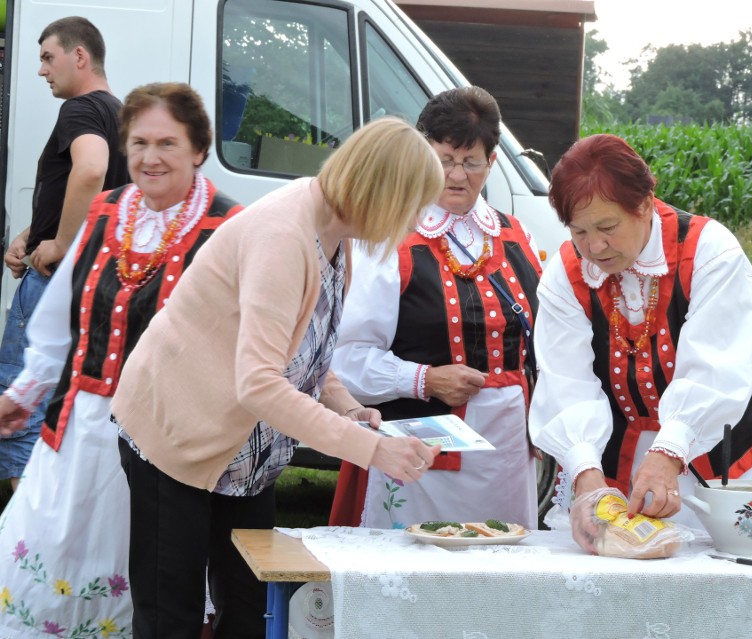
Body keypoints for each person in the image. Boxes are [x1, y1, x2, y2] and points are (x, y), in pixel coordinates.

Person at [109, 115, 444, 639]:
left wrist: (345, 403)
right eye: (413, 205)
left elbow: (303, 344)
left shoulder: (336, 233)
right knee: (170, 616)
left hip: (244, 451)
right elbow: (260, 383)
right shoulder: (284, 235)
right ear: (383, 193)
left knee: (249, 610)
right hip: (176, 433)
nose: (414, 221)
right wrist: (370, 449)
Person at [0, 82, 241, 638]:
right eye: (137, 143)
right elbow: (61, 316)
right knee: (48, 559)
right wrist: (25, 393)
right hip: (77, 429)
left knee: (143, 570)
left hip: (156, 438)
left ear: (199, 149)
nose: (149, 158)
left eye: (167, 144)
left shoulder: (227, 228)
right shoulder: (107, 210)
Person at [528, 133, 752, 551]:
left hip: (727, 451)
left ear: (644, 205)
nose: (594, 247)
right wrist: (585, 473)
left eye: (607, 227)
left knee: (731, 581)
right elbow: (565, 382)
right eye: (579, 231)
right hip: (621, 456)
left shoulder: (709, 251)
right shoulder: (567, 273)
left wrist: (670, 451)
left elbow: (716, 368)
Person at [329, 86, 542, 531]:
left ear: (493, 162)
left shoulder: (517, 237)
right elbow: (346, 361)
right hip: (418, 456)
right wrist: (425, 378)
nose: (457, 175)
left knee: (497, 569)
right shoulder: (390, 238)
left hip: (505, 459)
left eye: (471, 162)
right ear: (422, 155)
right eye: (444, 159)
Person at [0, 16, 129, 491]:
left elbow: (91, 171)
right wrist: (34, 235)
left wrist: (60, 245)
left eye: (47, 57)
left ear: (80, 57)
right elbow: (94, 193)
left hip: (55, 281)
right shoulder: (119, 113)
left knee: (19, 399)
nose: (41, 70)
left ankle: (20, 531)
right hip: (97, 282)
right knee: (61, 400)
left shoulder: (79, 109)